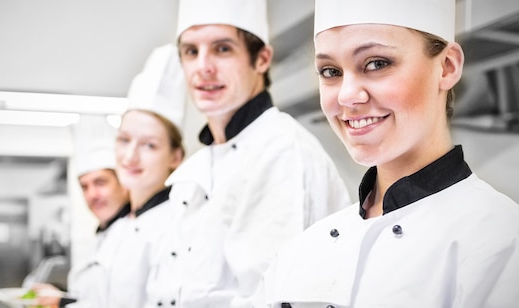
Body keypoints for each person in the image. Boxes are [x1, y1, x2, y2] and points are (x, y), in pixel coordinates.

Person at [254, 0, 519, 307]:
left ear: (447, 66)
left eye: (377, 63)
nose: (348, 95)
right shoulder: (300, 252)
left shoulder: (506, 243)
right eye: (330, 71)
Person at [145, 0, 351, 307]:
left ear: (262, 59)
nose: (203, 66)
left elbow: (275, 298)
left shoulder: (283, 152)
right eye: (191, 51)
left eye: (222, 48)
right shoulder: (199, 167)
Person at [105, 43, 186, 308]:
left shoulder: (178, 228)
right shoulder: (120, 224)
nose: (130, 157)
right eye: (124, 140)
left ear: (175, 157)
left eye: (149, 145)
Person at [32, 115, 129, 307]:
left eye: (100, 183)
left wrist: (61, 302)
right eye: (84, 187)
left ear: (123, 183)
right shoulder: (101, 236)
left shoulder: (136, 235)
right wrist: (61, 298)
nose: (92, 194)